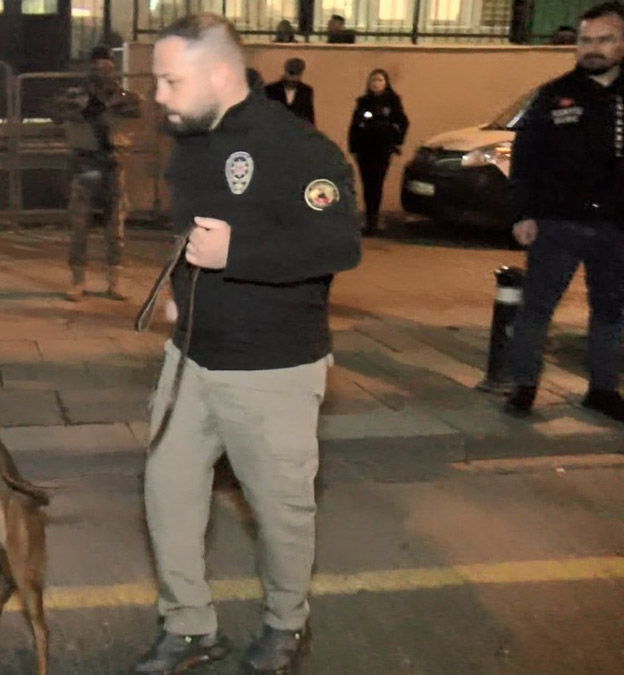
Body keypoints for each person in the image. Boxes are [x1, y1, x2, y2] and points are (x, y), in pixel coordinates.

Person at [135, 13, 362, 675]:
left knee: (280, 509)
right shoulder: (191, 141)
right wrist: (182, 290)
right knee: (167, 491)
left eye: (171, 80)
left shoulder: (302, 150)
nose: (159, 94)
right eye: (158, 80)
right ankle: (188, 627)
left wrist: (240, 251)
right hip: (192, 356)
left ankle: (287, 625)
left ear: (220, 74)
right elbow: (192, 231)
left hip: (273, 367)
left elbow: (338, 244)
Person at [503, 2, 624, 423]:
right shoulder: (555, 95)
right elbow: (525, 159)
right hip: (557, 223)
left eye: (604, 40)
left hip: (615, 227)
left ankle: (603, 389)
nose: (592, 49)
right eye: (585, 41)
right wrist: (523, 213)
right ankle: (524, 386)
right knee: (537, 308)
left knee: (610, 311)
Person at [49, 45, 142, 301]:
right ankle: (78, 281)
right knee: (79, 225)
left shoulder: (124, 96)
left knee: (115, 227)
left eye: (106, 66)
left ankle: (114, 282)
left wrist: (105, 105)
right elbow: (56, 113)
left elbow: (135, 110)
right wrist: (82, 108)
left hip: (113, 165)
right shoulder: (75, 95)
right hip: (84, 165)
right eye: (97, 66)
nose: (101, 71)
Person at [347, 68, 409, 234]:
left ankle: (374, 219)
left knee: (377, 184)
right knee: (367, 185)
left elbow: (403, 122)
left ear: (386, 83)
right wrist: (353, 147)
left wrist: (396, 141)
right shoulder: (363, 102)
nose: (376, 83)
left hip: (382, 149)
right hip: (364, 149)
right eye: (374, 80)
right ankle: (369, 219)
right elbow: (354, 126)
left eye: (380, 80)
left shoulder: (393, 101)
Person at [264, 57, 315, 126]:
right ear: (285, 72)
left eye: (296, 75)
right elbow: (265, 115)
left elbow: (309, 118)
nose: (292, 79)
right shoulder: (270, 90)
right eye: (291, 74)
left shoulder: (306, 91)